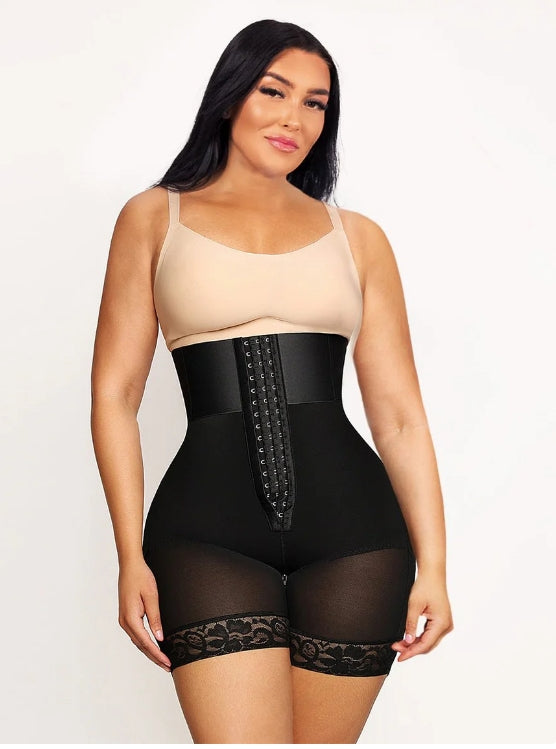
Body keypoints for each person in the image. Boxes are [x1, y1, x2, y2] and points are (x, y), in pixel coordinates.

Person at [90, 18, 453, 744]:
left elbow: (400, 418)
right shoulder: (154, 217)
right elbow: (115, 397)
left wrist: (436, 567)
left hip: (357, 537)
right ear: (231, 96)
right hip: (205, 536)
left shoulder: (359, 238)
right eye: (274, 91)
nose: (295, 118)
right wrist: (129, 555)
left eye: (316, 103)